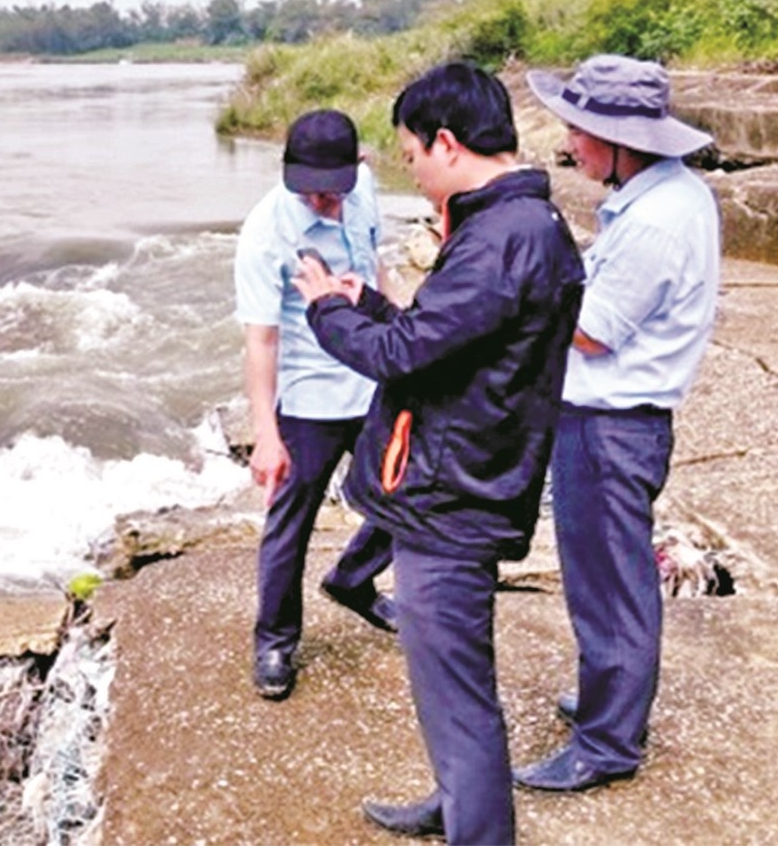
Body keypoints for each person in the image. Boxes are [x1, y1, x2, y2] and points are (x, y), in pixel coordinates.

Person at [292, 62, 585, 844]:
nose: (412, 176)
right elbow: (450, 342)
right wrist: (372, 303)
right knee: (448, 682)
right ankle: (457, 800)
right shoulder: (513, 227)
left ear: (447, 143)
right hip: (464, 476)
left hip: (455, 497)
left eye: (412, 157)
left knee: (457, 689)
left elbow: (406, 355)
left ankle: (476, 825)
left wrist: (327, 310)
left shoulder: (500, 240)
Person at [512, 55, 720, 793]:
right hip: (613, 421)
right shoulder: (659, 196)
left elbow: (593, 331)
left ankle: (607, 743)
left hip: (611, 424)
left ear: (621, 140)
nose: (570, 143)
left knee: (612, 586)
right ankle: (607, 703)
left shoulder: (656, 222)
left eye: (580, 130)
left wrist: (524, 282)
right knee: (600, 577)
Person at [233, 109, 397, 702]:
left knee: (414, 490)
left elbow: (376, 265)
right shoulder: (265, 232)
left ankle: (353, 579)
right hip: (308, 395)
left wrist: (405, 339)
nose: (325, 203)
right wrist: (265, 433)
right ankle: (275, 640)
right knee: (290, 522)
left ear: (357, 169)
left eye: (336, 190)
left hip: (374, 372)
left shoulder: (364, 190)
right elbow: (261, 338)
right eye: (313, 193)